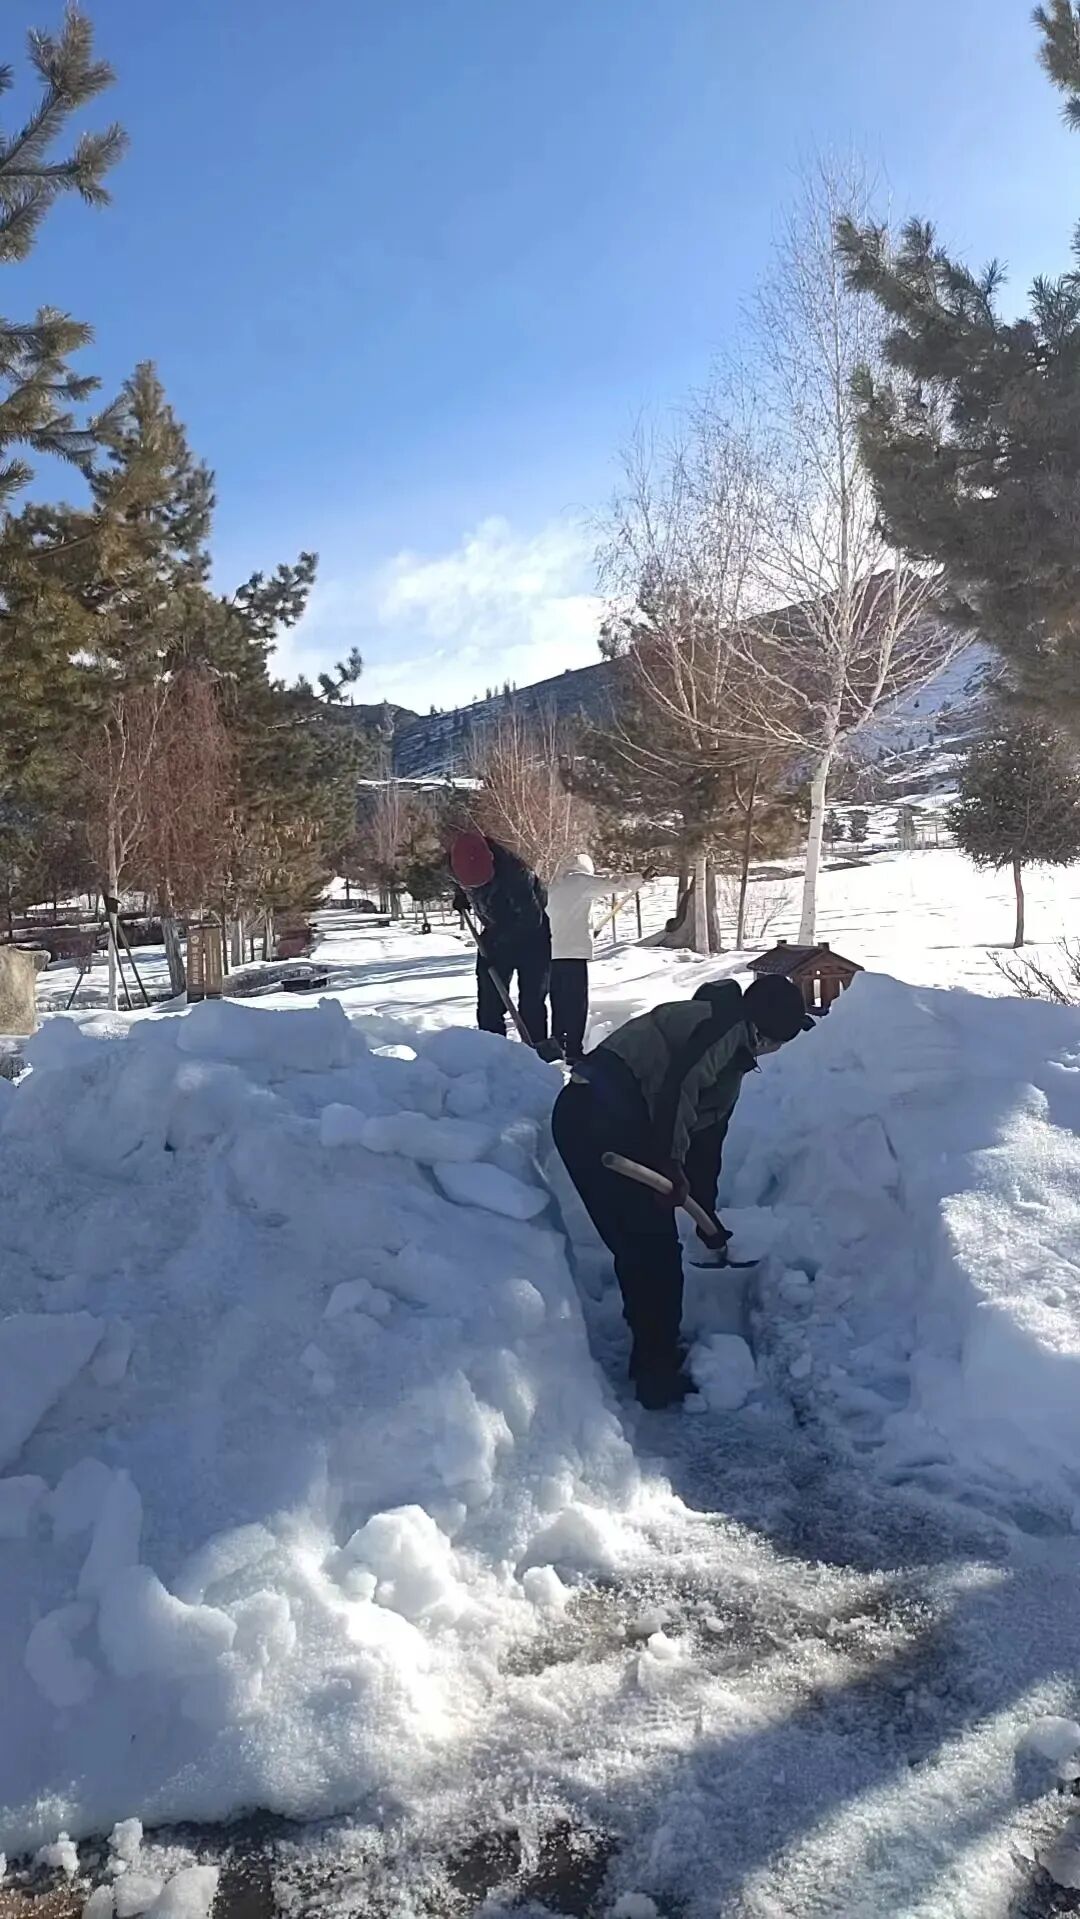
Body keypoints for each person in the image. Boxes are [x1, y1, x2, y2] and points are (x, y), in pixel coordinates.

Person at [551, 974, 812, 1409]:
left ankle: (652, 1353)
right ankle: (655, 1372)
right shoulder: (720, 1028)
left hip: (618, 1126)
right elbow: (677, 1092)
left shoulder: (732, 1052)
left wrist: (704, 1213)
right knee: (648, 1249)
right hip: (595, 1122)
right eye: (782, 1039)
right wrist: (669, 1164)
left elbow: (707, 1135)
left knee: (646, 1247)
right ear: (766, 1030)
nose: (780, 1049)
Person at [450, 830, 552, 1043]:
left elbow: (531, 919)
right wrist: (461, 896)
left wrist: (499, 943)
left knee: (531, 1001)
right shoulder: (454, 861)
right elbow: (460, 880)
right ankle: (494, 1052)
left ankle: (535, 1053)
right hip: (495, 930)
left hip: (532, 936)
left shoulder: (516, 873)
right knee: (489, 1002)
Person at [546, 853, 643, 1063]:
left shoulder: (553, 885)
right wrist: (640, 877)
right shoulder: (580, 881)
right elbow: (613, 883)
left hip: (551, 955)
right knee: (576, 1004)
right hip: (573, 956)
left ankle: (557, 1043)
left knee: (558, 1003)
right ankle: (573, 1050)